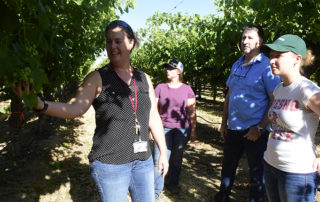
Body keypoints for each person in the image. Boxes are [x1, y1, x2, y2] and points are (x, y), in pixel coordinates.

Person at [13, 20, 169, 202]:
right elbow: (74, 108)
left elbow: (153, 117)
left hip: (143, 161)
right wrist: (41, 105)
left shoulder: (144, 79)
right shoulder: (97, 78)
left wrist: (163, 153)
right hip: (111, 164)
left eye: (117, 41)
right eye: (108, 41)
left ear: (131, 42)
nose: (112, 46)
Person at [214, 25, 281, 202]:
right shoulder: (237, 64)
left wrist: (259, 128)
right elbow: (230, 95)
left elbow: (274, 100)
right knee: (227, 168)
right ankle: (223, 197)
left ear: (259, 42)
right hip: (234, 128)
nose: (245, 41)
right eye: (243, 37)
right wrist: (223, 123)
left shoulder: (267, 67)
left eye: (250, 38)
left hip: (255, 131)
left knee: (257, 174)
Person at [263, 34, 320, 202]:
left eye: (278, 56)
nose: (272, 60)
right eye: (271, 56)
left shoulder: (306, 90)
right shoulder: (279, 89)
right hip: (271, 163)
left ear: (297, 59)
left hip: (296, 171)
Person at [152, 59, 196, 199]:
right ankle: (156, 190)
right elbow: (153, 110)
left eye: (171, 68)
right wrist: (150, 129)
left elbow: (192, 112)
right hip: (162, 128)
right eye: (167, 68)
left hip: (181, 130)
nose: (167, 70)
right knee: (158, 159)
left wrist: (193, 130)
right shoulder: (160, 88)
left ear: (178, 72)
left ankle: (172, 184)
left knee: (176, 159)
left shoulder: (187, 90)